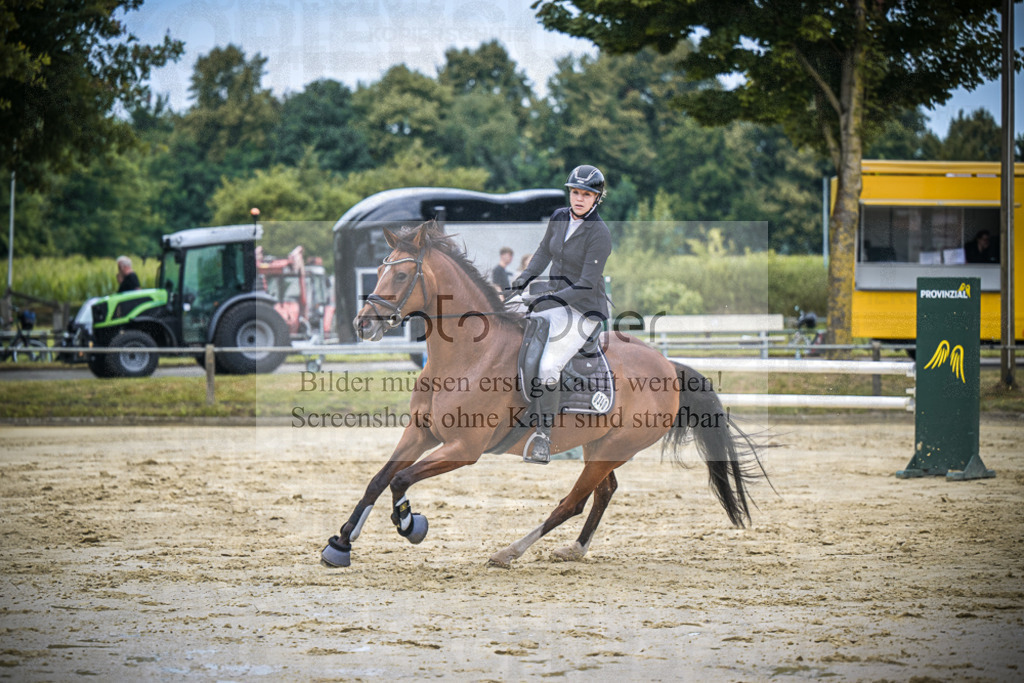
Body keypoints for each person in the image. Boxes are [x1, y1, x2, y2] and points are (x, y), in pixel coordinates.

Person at [510, 164, 612, 464]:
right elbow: (543, 252)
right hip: (553, 298)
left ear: (597, 198)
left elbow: (586, 284)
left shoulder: (600, 234)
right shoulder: (558, 217)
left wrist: (548, 299)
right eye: (575, 192)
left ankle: (543, 435)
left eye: (587, 194)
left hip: (583, 308)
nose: (579, 199)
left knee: (549, 366)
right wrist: (521, 281)